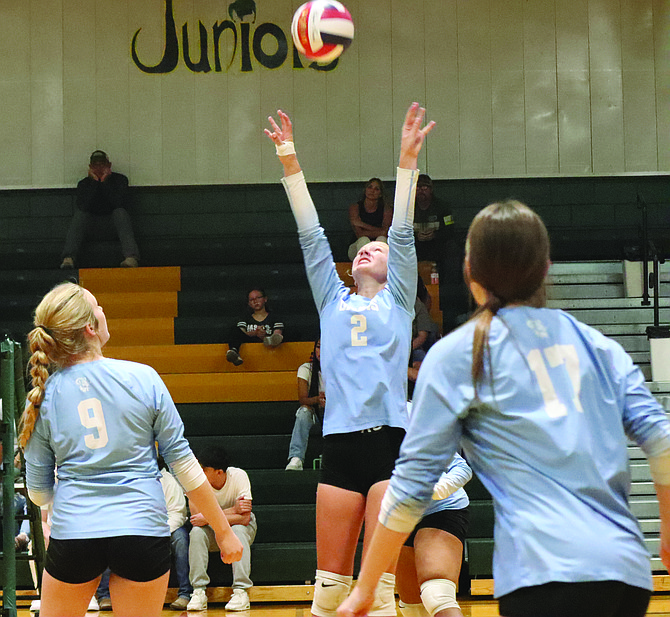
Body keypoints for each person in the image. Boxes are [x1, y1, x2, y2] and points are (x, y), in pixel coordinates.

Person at [338, 199, 670, 617]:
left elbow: (409, 488)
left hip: (540, 575)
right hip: (626, 571)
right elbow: (662, 439)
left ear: (470, 274)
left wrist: (365, 587)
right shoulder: (598, 346)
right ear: (545, 268)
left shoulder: (458, 355)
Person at [264, 101, 435, 617]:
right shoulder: (331, 300)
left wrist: (406, 163)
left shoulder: (400, 301)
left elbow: (401, 235)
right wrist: (289, 160)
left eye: (375, 249)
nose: (366, 249)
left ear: (392, 267)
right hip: (338, 443)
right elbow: (311, 237)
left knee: (378, 591)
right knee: (329, 590)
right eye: (360, 247)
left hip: (389, 444)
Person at [20, 282, 243, 617]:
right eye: (98, 306)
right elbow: (185, 468)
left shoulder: (42, 397)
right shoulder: (144, 378)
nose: (103, 310)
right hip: (141, 531)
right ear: (90, 328)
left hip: (75, 534)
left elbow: (37, 494)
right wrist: (224, 534)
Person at [395, 446, 471, 617]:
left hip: (441, 509)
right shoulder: (357, 440)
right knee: (412, 607)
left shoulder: (413, 430)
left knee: (437, 595)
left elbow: (462, 468)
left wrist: (437, 489)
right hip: (398, 518)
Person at [187, 446, 256, 612]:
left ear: (219, 472)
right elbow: (197, 519)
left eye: (204, 469)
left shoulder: (239, 476)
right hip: (211, 531)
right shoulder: (194, 481)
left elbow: (245, 518)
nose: (199, 471)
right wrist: (233, 510)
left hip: (239, 527)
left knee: (238, 530)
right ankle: (198, 592)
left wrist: (208, 516)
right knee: (196, 533)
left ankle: (241, 591)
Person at [60, 150, 140, 269]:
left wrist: (104, 182)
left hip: (113, 227)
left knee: (120, 213)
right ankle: (68, 258)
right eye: (95, 165)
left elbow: (118, 203)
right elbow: (83, 206)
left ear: (109, 165)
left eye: (102, 164)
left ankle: (131, 258)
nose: (99, 168)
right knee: (80, 215)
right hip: (91, 228)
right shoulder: (84, 184)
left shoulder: (120, 180)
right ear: (90, 167)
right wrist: (94, 183)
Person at [286, 339, 325, 471]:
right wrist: (318, 399)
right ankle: (296, 458)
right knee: (303, 412)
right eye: (318, 347)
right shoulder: (306, 369)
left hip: (334, 414)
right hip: (316, 415)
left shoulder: (339, 369)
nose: (321, 351)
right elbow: (303, 399)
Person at [225, 288, 284, 366]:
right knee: (235, 330)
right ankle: (234, 352)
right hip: (250, 341)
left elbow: (278, 332)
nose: (255, 301)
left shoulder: (274, 317)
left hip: (269, 342)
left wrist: (265, 335)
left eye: (258, 298)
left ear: (265, 299)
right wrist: (255, 332)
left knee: (284, 334)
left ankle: (269, 341)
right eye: (251, 299)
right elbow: (241, 332)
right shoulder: (245, 318)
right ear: (249, 303)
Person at [347, 178, 392, 261]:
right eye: (370, 187)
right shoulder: (355, 207)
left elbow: (385, 233)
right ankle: (364, 269)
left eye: (376, 189)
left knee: (381, 239)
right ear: (365, 190)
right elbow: (360, 234)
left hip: (377, 247)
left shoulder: (386, 209)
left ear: (380, 194)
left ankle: (379, 268)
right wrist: (380, 231)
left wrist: (361, 224)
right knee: (364, 240)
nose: (372, 191)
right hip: (357, 248)